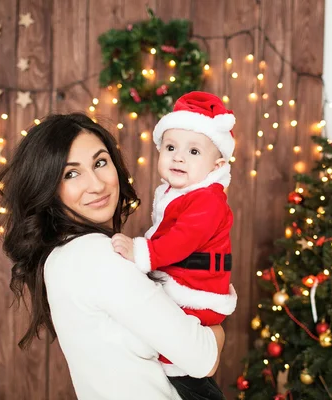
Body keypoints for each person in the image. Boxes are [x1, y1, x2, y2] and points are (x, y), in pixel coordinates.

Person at [0, 113, 225, 400]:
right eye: (71, 173)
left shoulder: (61, 254)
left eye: (100, 163)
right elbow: (203, 357)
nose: (97, 185)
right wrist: (215, 327)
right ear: (48, 188)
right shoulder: (96, 256)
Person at [111, 92, 236, 399]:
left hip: (197, 294)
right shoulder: (179, 192)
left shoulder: (209, 200)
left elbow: (183, 240)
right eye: (170, 147)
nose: (178, 157)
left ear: (217, 163)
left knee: (181, 367)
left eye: (194, 151)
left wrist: (142, 253)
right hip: (181, 283)